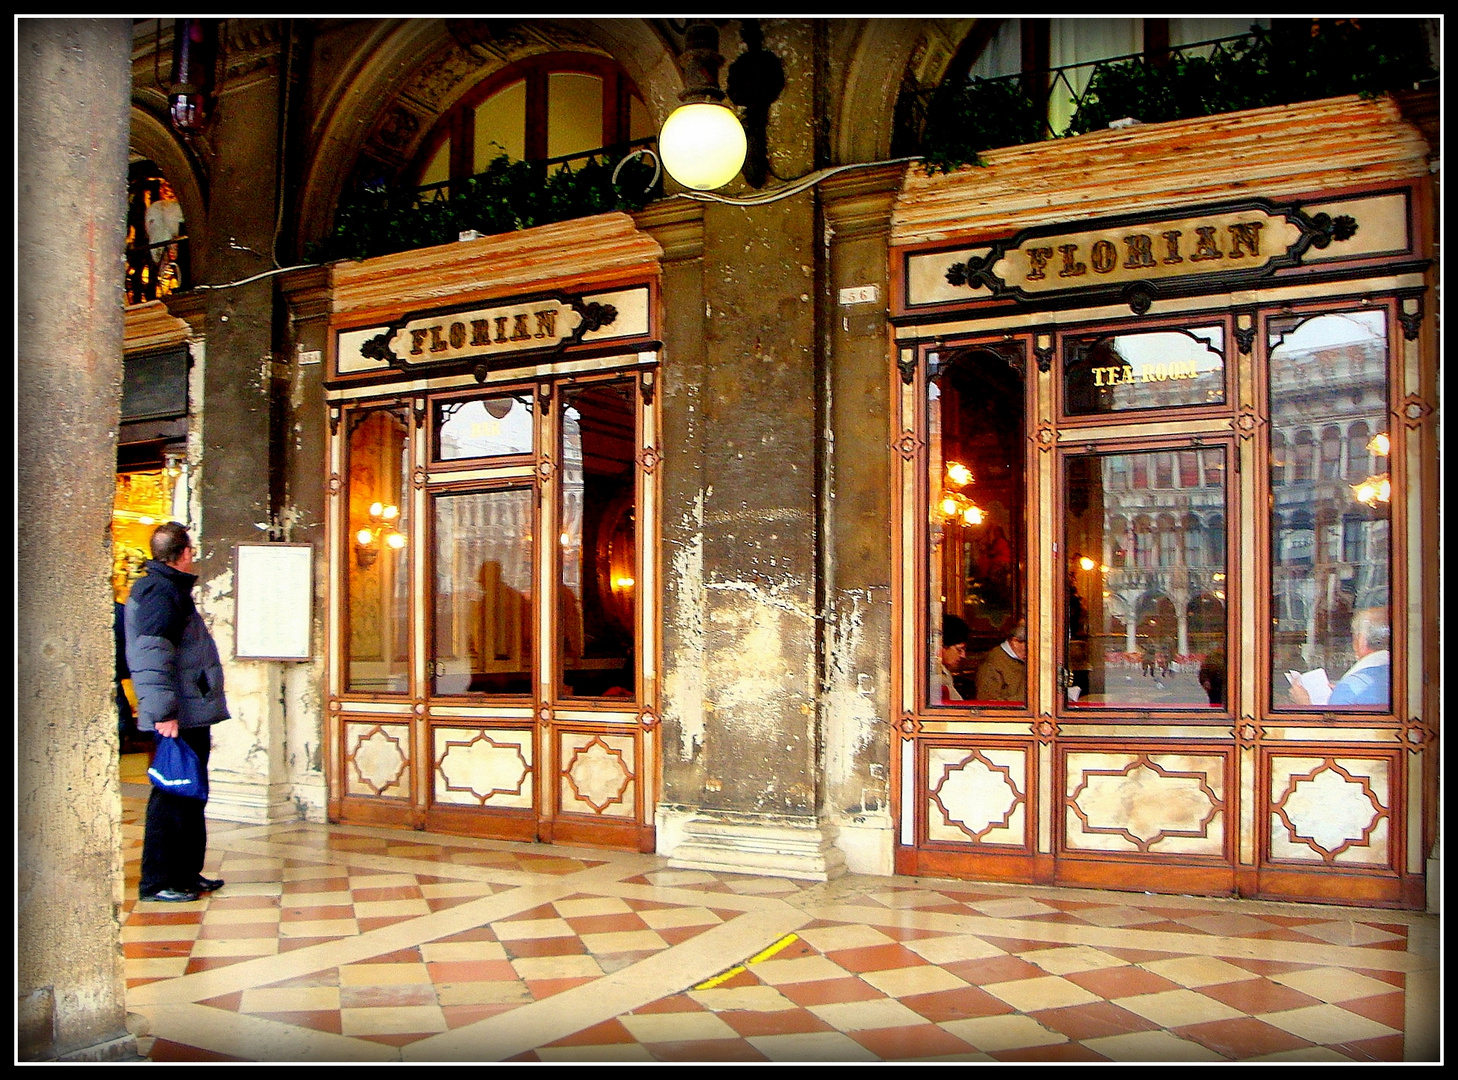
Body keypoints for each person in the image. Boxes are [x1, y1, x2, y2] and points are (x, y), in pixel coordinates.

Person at [127, 522, 230, 902]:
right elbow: (152, 656)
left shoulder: (168, 588)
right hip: (177, 714)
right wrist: (163, 712)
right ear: (184, 553)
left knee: (190, 792)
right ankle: (157, 881)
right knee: (171, 794)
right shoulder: (159, 591)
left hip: (189, 709)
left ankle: (186, 872)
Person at [1290, 606, 1390, 708]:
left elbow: (1333, 723)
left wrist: (1305, 705)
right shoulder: (1400, 676)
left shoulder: (1349, 690)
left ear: (1360, 640)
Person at [975, 619, 1027, 703]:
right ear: (1015, 641)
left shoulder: (1024, 660)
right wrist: (1024, 701)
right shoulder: (992, 661)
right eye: (1027, 647)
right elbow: (986, 702)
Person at [939, 614, 970, 703]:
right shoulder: (935, 676)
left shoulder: (945, 672)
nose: (963, 655)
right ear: (942, 646)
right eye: (959, 650)